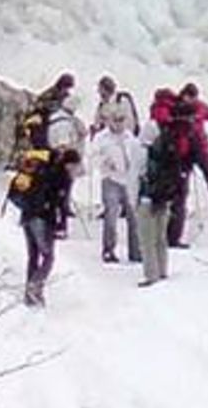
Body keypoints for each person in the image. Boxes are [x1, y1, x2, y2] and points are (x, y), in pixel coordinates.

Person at [135, 108, 195, 286]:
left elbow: (136, 175)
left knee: (147, 239)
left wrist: (134, 200)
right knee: (161, 236)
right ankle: (162, 271)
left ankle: (150, 275)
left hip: (148, 198)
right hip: (165, 196)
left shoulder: (145, 152)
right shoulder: (169, 148)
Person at [18, 147, 81, 307]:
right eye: (75, 166)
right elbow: (60, 204)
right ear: (69, 164)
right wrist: (61, 226)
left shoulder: (43, 170)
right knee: (48, 257)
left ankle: (30, 295)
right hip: (43, 218)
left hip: (27, 215)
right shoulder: (62, 177)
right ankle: (35, 286)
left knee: (33, 256)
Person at [89, 105, 144, 264]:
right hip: (110, 179)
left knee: (133, 216)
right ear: (109, 121)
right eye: (116, 120)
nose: (119, 124)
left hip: (129, 180)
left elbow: (137, 156)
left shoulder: (130, 137)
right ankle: (108, 249)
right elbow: (92, 156)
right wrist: (104, 163)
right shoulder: (101, 138)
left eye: (122, 120)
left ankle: (136, 250)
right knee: (111, 216)